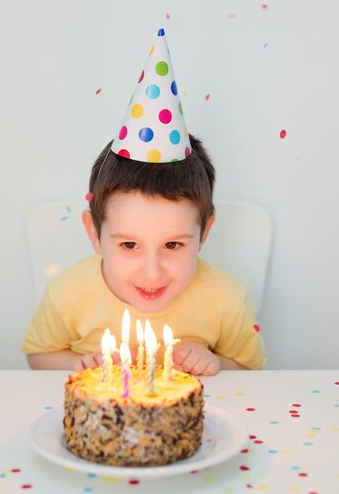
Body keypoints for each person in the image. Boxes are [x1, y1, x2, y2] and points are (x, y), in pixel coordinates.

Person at [22, 29, 266, 375]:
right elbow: (38, 356)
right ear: (94, 232)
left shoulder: (225, 298)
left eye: (172, 244)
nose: (152, 272)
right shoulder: (67, 294)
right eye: (129, 244)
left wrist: (215, 363)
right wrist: (78, 365)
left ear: (205, 231)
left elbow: (250, 368)